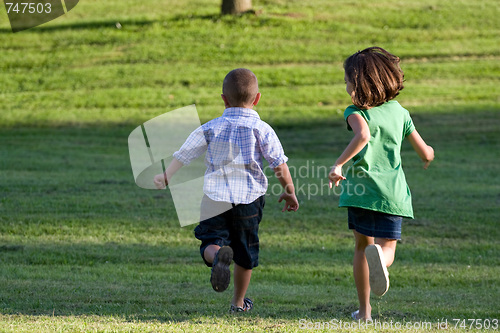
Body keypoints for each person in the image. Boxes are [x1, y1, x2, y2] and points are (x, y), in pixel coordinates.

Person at [154, 68, 299, 313]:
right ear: (257, 98)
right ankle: (238, 303)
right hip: (249, 200)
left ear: (223, 99)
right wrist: (290, 191)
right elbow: (278, 164)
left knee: (210, 240)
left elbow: (185, 153)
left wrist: (166, 175)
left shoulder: (212, 127)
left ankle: (218, 254)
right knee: (245, 252)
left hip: (214, 198)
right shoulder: (262, 129)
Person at [328, 47, 434, 321]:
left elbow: (362, 135)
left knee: (361, 248)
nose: (346, 86)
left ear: (360, 84)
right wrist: (428, 156)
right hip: (392, 194)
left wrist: (338, 164)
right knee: (387, 248)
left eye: (348, 81)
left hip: (361, 192)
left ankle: (364, 312)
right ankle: (383, 264)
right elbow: (424, 151)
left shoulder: (355, 112)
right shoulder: (400, 112)